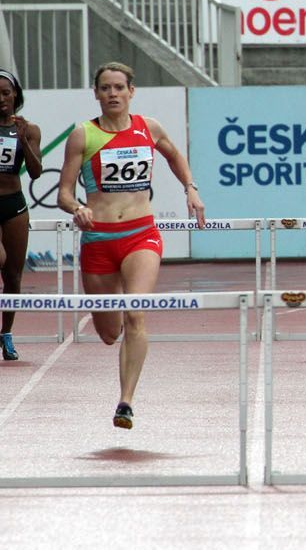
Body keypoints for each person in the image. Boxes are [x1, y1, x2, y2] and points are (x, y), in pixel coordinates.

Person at [58, 62, 206, 429]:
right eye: (105, 88)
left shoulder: (148, 128)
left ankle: (125, 401)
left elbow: (174, 155)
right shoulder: (83, 135)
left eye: (118, 87)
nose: (112, 94)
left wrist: (190, 188)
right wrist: (78, 207)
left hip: (141, 235)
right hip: (99, 240)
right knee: (109, 333)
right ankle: (119, 343)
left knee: (136, 313)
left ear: (131, 92)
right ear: (96, 93)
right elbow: (63, 192)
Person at [0, 69, 43, 360]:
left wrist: (23, 138)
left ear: (16, 95)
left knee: (13, 275)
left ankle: (7, 334)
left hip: (14, 204)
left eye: (6, 92)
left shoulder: (29, 129)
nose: (1, 99)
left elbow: (37, 172)